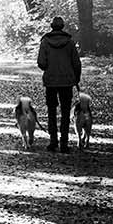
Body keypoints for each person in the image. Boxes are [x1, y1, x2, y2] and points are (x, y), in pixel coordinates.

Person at [36, 16, 82, 153]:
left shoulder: (45, 42)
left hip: (50, 81)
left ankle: (53, 141)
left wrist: (49, 69)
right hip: (67, 81)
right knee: (66, 111)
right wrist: (76, 79)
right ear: (63, 26)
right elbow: (76, 63)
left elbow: (41, 63)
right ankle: (64, 143)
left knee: (51, 111)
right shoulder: (69, 42)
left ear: (51, 26)